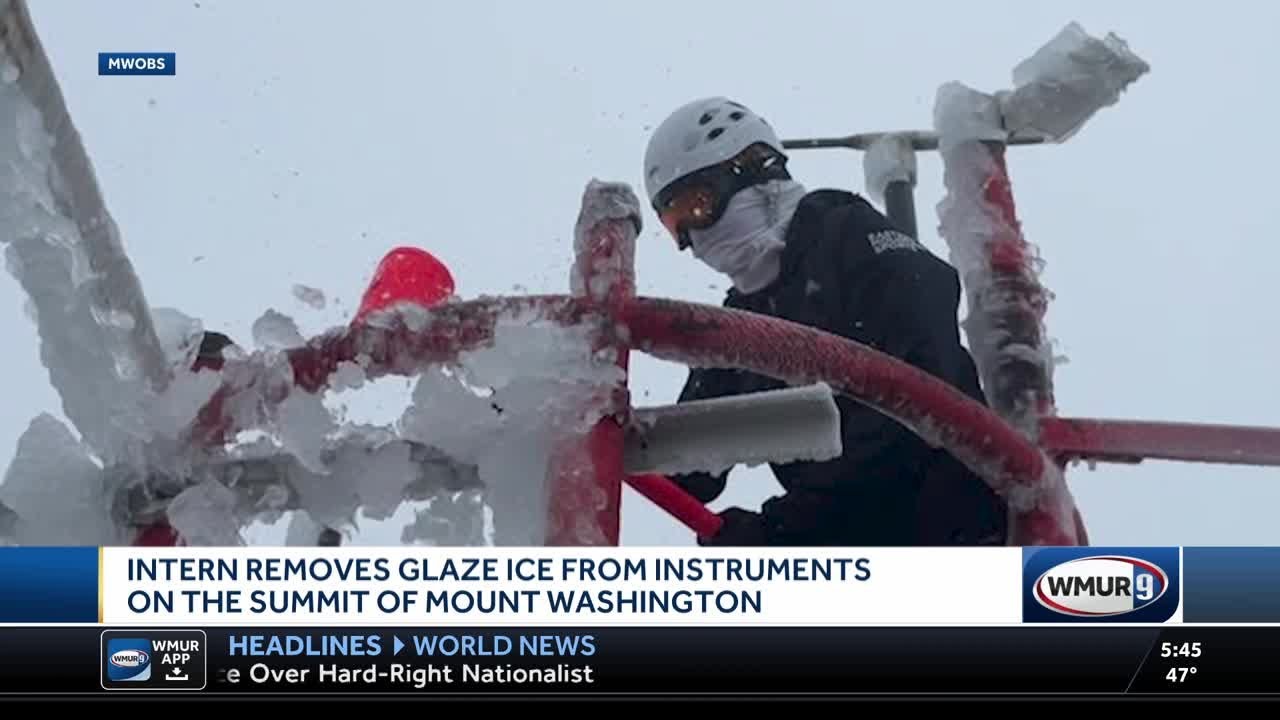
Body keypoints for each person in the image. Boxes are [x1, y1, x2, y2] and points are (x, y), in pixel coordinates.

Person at [642, 97, 1008, 547]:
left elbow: (912, 417)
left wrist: (781, 531)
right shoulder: (744, 316)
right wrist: (599, 424)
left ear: (756, 171)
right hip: (862, 547)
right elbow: (688, 457)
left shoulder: (853, 242)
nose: (692, 238)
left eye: (697, 206)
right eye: (675, 223)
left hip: (957, 536)